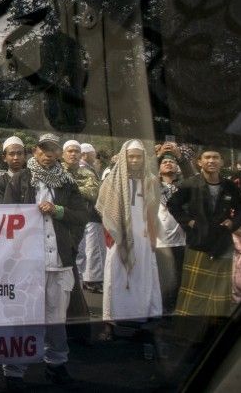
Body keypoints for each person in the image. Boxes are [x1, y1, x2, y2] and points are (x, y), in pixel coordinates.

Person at [2, 133, 88, 390]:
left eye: (53, 149)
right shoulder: (20, 180)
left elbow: (82, 215)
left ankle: (56, 365)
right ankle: (14, 371)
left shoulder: (67, 182)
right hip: (28, 263)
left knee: (55, 319)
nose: (49, 154)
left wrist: (58, 211)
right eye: (44, 149)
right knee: (23, 318)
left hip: (58, 261)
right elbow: (7, 217)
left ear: (59, 153)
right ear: (35, 152)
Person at [168, 148, 241, 344]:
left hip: (222, 244)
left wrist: (233, 224)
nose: (212, 161)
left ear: (221, 161)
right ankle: (187, 337)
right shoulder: (189, 184)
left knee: (220, 294)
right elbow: (172, 205)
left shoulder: (229, 186)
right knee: (194, 293)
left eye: (216, 157)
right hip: (198, 244)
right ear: (200, 162)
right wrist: (189, 222)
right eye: (207, 157)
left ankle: (214, 338)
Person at [95, 140, 162, 342]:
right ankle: (110, 325)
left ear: (144, 159)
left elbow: (153, 212)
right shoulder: (111, 181)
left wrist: (151, 237)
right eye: (130, 156)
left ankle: (142, 323)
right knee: (114, 279)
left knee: (143, 279)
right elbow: (103, 209)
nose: (134, 160)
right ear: (124, 158)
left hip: (142, 239)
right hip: (119, 239)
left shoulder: (151, 180)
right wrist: (114, 233)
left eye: (138, 156)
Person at [61, 140, 103, 293]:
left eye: (76, 151)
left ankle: (78, 303)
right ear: (63, 154)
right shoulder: (56, 171)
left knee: (79, 260)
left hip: (80, 223)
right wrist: (78, 191)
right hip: (61, 223)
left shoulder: (88, 173)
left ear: (81, 155)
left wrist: (70, 189)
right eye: (70, 151)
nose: (73, 154)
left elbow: (93, 193)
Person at [156, 153, 188, 315]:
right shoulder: (151, 185)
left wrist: (179, 156)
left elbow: (193, 175)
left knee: (178, 279)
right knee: (162, 281)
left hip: (180, 241)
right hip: (158, 243)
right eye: (164, 162)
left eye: (172, 162)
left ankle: (174, 313)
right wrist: (158, 155)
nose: (168, 163)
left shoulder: (184, 187)